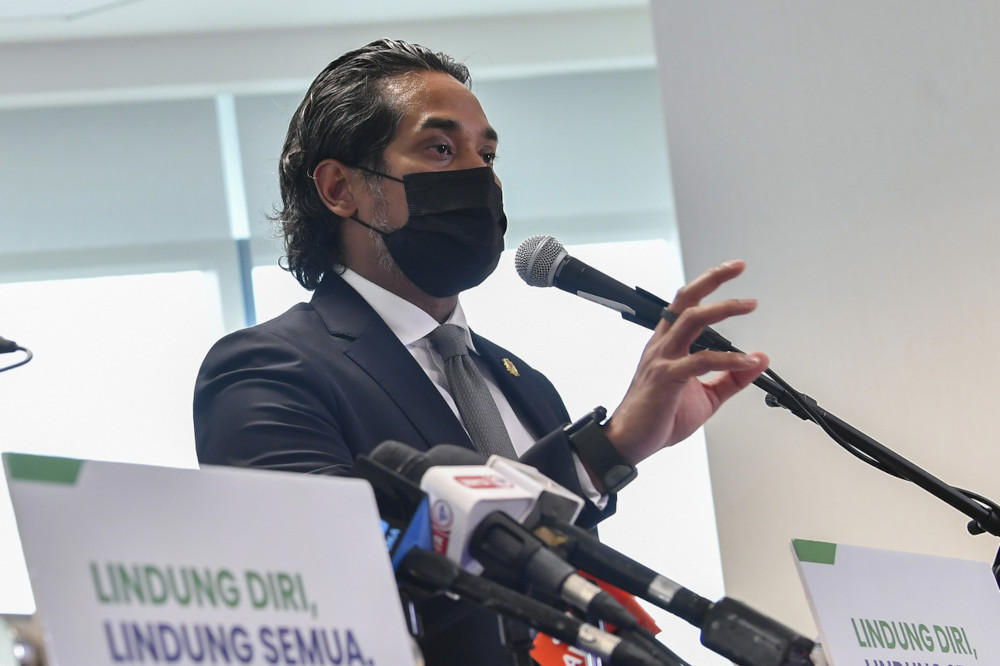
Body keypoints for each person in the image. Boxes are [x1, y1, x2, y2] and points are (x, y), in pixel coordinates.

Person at [193, 38, 768, 666]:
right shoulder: (268, 371)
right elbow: (328, 588)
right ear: (340, 188)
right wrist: (602, 453)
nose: (480, 177)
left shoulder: (526, 385)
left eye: (487, 155)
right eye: (440, 149)